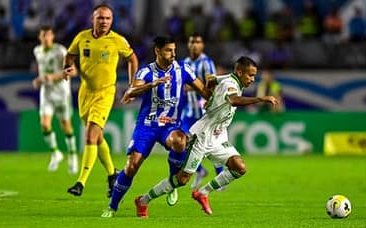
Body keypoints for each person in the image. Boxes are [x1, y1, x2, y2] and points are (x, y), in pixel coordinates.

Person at [133, 56, 279, 217]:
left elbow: (211, 78)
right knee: (181, 180)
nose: (252, 79)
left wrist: (210, 92)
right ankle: (143, 200)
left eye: (254, 75)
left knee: (239, 167)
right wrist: (260, 98)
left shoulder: (231, 79)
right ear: (239, 72)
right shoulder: (231, 84)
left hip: (218, 137)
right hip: (201, 136)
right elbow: (233, 100)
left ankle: (202, 193)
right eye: (250, 75)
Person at [101, 36, 212, 218]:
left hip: (170, 125)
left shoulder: (183, 69)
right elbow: (130, 91)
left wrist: (217, 92)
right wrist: (151, 85)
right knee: (131, 166)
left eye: (174, 50)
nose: (173, 54)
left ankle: (171, 182)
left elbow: (204, 91)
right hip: (147, 125)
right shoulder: (146, 72)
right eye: (169, 50)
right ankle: (112, 206)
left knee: (179, 140)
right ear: (157, 51)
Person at [64, 4, 139, 198]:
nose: (104, 21)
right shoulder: (82, 38)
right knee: (97, 138)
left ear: (112, 21)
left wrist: (132, 84)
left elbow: (132, 59)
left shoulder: (117, 40)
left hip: (105, 94)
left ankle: (81, 182)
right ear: (93, 19)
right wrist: (68, 68)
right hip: (85, 93)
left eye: (107, 18)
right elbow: (70, 55)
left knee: (90, 136)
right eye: (100, 18)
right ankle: (113, 174)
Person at [166, 33, 223, 206]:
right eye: (192, 42)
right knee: (182, 144)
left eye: (198, 42)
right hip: (188, 112)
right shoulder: (184, 63)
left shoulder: (206, 63)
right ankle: (200, 170)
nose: (195, 45)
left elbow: (210, 85)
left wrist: (189, 88)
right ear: (188, 44)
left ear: (202, 45)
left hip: (203, 112)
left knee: (211, 143)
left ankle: (219, 175)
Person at [32, 25, 78, 174]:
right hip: (46, 92)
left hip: (62, 92)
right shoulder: (37, 51)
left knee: (66, 125)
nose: (46, 38)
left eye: (48, 35)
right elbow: (43, 71)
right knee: (44, 124)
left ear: (53, 36)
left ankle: (72, 155)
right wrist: (40, 80)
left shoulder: (60, 51)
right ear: (40, 37)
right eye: (43, 35)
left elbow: (73, 71)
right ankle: (56, 153)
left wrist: (52, 77)